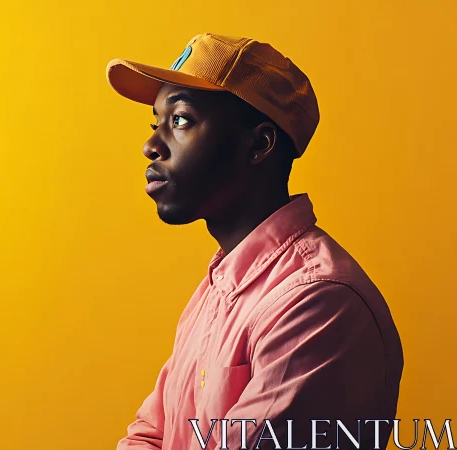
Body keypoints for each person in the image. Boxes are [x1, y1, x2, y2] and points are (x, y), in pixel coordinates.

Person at [105, 33, 403, 450]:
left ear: (259, 144)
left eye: (180, 120)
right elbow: (151, 434)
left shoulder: (316, 303)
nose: (151, 146)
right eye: (156, 123)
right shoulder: (220, 287)